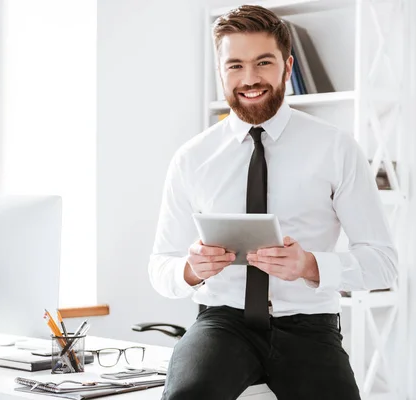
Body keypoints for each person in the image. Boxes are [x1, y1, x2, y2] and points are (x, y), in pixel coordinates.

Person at [148, 5, 397, 400]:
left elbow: (384, 265)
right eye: (235, 66)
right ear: (220, 72)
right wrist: (191, 270)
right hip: (221, 323)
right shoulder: (192, 159)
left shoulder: (337, 149)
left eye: (263, 62)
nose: (249, 79)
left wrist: (310, 265)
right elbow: (160, 267)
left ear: (287, 66)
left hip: (309, 326)